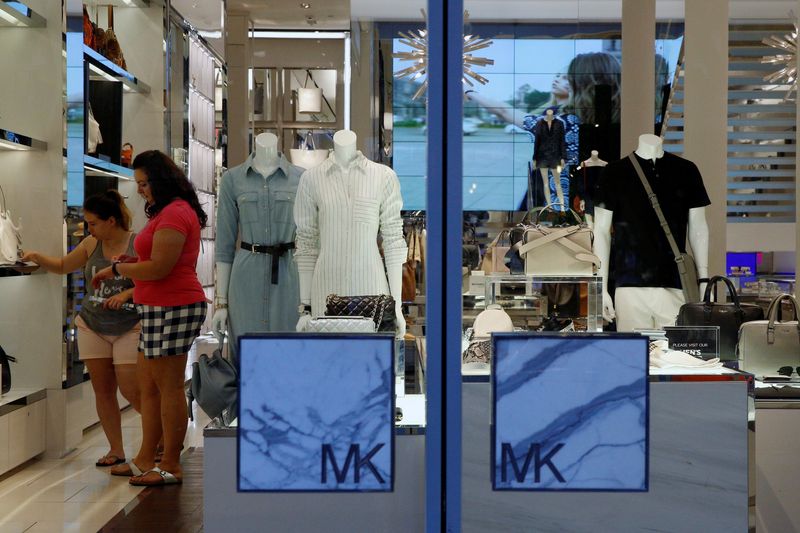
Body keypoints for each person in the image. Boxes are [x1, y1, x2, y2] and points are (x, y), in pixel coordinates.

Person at [93, 150, 208, 486]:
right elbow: (155, 259)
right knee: (150, 387)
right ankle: (146, 457)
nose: (140, 190)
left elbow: (160, 267)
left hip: (173, 307)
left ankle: (170, 464)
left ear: (160, 180)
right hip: (159, 307)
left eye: (144, 183)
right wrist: (132, 259)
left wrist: (117, 267)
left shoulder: (174, 213)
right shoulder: (169, 213)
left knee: (168, 387)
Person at [22, 191, 141, 467]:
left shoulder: (137, 243)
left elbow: (152, 278)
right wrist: (38, 256)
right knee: (103, 390)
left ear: (111, 221)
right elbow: (65, 265)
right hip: (91, 324)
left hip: (129, 325)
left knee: (132, 389)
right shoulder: (91, 244)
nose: (89, 228)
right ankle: (116, 450)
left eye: (94, 223)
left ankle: (159, 441)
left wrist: (127, 294)